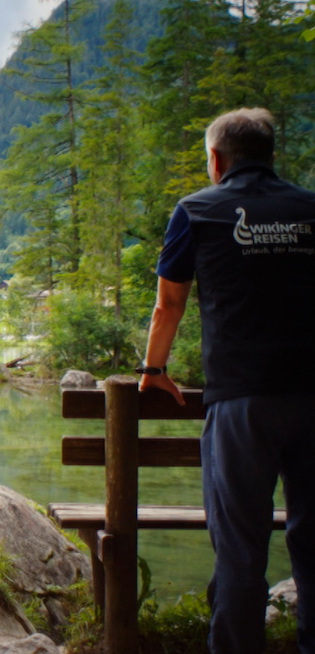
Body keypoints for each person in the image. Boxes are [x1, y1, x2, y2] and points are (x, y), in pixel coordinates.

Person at [139, 108, 315, 654]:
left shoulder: (198, 210)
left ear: (216, 160)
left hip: (240, 403)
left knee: (241, 549)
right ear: (270, 154)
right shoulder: (309, 208)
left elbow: (168, 305)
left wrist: (153, 371)